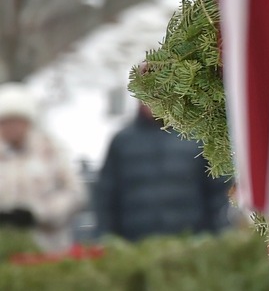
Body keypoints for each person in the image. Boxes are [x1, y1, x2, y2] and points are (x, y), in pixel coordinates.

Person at [92, 102, 231, 242]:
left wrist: (216, 236)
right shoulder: (122, 141)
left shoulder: (198, 137)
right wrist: (107, 239)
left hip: (190, 246)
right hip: (136, 247)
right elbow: (106, 195)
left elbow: (218, 191)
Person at [0, 84, 87, 253]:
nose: (11, 127)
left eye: (16, 121)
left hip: (48, 248)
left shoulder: (50, 151)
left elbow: (74, 193)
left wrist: (38, 213)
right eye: (5, 122)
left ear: (28, 122)